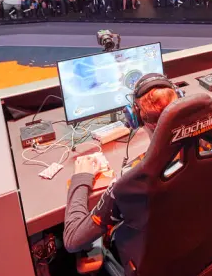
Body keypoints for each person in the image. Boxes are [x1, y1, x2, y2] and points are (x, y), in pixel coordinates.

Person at [63, 74, 180, 253]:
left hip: (156, 263)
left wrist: (81, 178)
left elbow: (72, 239)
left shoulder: (130, 179)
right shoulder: (209, 143)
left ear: (134, 118)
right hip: (197, 248)